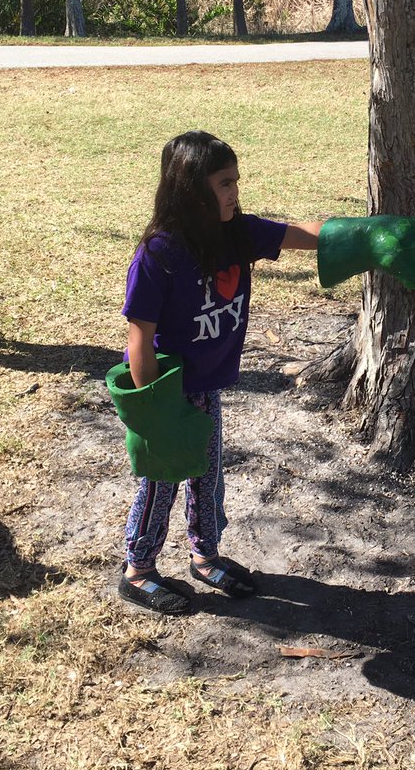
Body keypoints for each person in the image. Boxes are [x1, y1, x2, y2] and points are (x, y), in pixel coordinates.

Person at [118, 131, 324, 616]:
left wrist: (370, 235)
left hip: (205, 389)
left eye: (236, 180)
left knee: (208, 477)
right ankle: (138, 569)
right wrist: (156, 414)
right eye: (224, 183)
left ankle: (205, 556)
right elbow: (139, 338)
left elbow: (306, 234)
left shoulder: (238, 234)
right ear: (192, 190)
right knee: (161, 481)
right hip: (167, 395)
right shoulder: (159, 254)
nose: (235, 191)